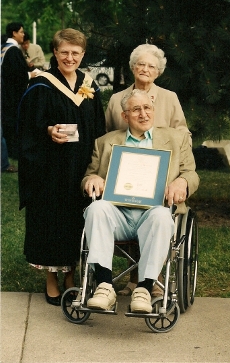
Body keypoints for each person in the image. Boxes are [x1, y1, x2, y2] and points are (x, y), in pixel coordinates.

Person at [82, 89, 199, 313]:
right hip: (118, 216)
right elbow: (88, 177)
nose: (143, 114)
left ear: (153, 110)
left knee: (162, 217)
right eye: (136, 109)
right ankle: (104, 286)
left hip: (153, 213)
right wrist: (93, 178)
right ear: (125, 116)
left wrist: (182, 182)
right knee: (96, 208)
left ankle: (144, 289)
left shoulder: (176, 139)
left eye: (147, 108)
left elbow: (191, 174)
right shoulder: (105, 142)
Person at [18, 28, 106, 306]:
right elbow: (26, 127)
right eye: (64, 52)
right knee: (50, 221)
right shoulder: (42, 84)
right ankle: (52, 279)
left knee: (75, 222)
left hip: (81, 168)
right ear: (55, 52)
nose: (70, 57)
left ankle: (71, 276)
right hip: (49, 170)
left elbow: (99, 128)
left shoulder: (89, 86)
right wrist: (48, 130)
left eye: (75, 53)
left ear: (83, 55)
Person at [105, 44, 191, 296]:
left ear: (158, 72)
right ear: (132, 67)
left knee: (155, 213)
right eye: (140, 64)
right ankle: (135, 278)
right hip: (128, 175)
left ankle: (152, 277)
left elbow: (182, 133)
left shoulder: (169, 98)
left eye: (151, 66)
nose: (145, 69)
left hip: (161, 177)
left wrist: (181, 173)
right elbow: (109, 137)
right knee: (125, 203)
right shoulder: (115, 100)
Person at [1, 22, 36, 159]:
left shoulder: (4, 47)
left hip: (5, 91)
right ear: (14, 33)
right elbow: (14, 74)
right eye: (21, 32)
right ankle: (13, 151)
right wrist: (29, 75)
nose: (23, 34)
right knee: (13, 121)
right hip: (11, 94)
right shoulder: (13, 50)